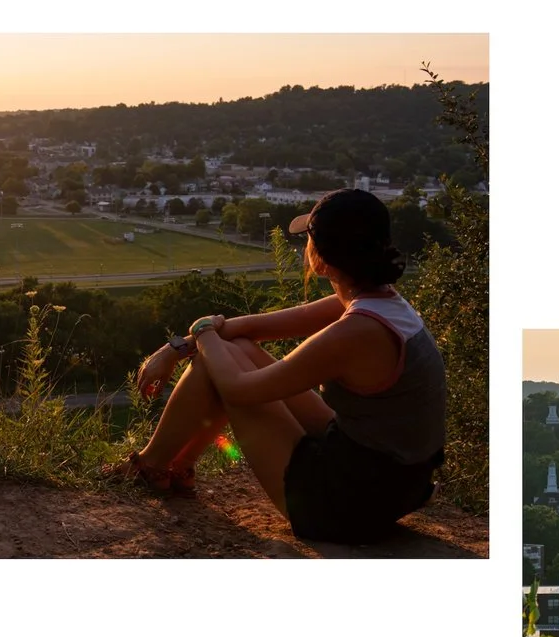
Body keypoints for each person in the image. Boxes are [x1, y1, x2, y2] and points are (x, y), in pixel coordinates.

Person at [109, 189, 448, 543]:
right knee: (233, 347)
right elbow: (255, 327)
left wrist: (202, 329)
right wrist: (176, 348)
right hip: (388, 483)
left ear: (320, 256)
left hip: (341, 506)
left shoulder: (357, 331)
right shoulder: (380, 305)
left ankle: (149, 468)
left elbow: (239, 390)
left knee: (222, 363)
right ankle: (175, 468)